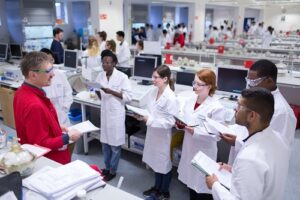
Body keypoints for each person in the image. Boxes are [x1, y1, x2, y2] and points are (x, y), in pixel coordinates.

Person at [206, 88, 290, 200]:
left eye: (239, 106)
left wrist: (214, 185)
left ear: (251, 115)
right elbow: (263, 174)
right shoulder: (278, 139)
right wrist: (234, 170)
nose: (235, 108)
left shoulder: (250, 159)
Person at [222, 59, 297, 164]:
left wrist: (238, 142)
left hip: (256, 167)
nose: (250, 85)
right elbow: (245, 126)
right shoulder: (255, 98)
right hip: (241, 160)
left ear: (269, 81)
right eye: (248, 80)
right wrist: (227, 128)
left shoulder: (283, 112)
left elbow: (278, 150)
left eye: (254, 82)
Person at [13, 52, 81, 164]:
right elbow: (40, 144)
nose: (53, 74)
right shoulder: (34, 105)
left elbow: (33, 126)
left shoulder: (21, 92)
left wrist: (55, 126)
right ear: (33, 75)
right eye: (48, 71)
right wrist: (68, 137)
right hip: (50, 160)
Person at [176, 69, 227, 200]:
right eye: (194, 83)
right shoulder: (190, 100)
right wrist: (179, 125)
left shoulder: (216, 107)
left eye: (199, 84)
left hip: (204, 153)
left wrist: (194, 131)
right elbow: (185, 119)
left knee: (202, 189)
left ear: (209, 86)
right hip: (189, 149)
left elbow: (216, 136)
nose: (195, 87)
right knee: (190, 184)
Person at [138, 65, 179, 200]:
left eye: (156, 77)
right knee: (155, 162)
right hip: (152, 134)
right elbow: (150, 110)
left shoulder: (171, 97)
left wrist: (150, 120)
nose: (153, 79)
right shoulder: (153, 91)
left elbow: (170, 121)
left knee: (163, 164)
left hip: (163, 136)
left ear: (165, 79)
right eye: (153, 76)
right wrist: (142, 115)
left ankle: (164, 191)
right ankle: (156, 187)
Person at [95, 50, 132, 181]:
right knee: (105, 143)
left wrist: (111, 91)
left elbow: (128, 97)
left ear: (114, 63)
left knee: (115, 146)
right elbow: (100, 95)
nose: (105, 64)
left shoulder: (122, 77)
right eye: (104, 62)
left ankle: (113, 170)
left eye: (108, 62)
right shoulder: (100, 75)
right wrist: (96, 91)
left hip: (116, 115)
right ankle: (107, 167)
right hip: (105, 113)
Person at [40, 48, 73, 127]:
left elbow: (68, 92)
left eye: (51, 60)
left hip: (63, 117)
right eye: (47, 61)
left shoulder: (60, 74)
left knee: (66, 138)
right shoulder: (39, 78)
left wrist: (65, 108)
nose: (50, 63)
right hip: (47, 118)